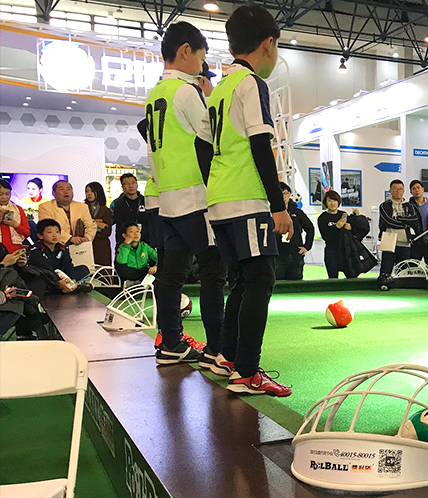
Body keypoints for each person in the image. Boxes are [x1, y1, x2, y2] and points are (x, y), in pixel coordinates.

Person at [206, 5, 292, 396]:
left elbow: (202, 150)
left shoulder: (220, 87)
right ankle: (247, 371)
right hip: (247, 199)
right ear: (268, 44)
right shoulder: (252, 84)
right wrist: (279, 204)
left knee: (241, 280)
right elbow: (261, 144)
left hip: (220, 200)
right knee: (260, 279)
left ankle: (228, 357)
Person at [145, 21, 228, 370]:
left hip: (167, 199)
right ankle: (216, 349)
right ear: (185, 52)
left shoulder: (154, 95)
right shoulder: (186, 90)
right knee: (213, 271)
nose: (202, 64)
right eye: (201, 55)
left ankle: (171, 343)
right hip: (195, 196)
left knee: (171, 273)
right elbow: (212, 138)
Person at [28, 219, 90, 287]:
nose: (54, 235)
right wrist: (59, 282)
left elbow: (68, 266)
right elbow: (47, 269)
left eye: (57, 232)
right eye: (50, 232)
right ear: (40, 236)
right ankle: (63, 287)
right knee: (40, 279)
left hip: (61, 275)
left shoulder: (62, 248)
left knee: (83, 269)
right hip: (47, 276)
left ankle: (68, 286)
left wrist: (73, 280)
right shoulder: (36, 250)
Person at [377, 180, 419, 279]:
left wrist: (398, 219)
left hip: (405, 242)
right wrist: (405, 223)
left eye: (400, 189)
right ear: (390, 191)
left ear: (404, 191)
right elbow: (388, 221)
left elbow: (414, 220)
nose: (398, 191)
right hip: (389, 241)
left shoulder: (410, 206)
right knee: (386, 270)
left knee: (403, 271)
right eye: (395, 189)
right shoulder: (384, 206)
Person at [38, 180, 96, 247]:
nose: (66, 192)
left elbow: (90, 225)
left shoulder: (83, 207)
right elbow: (47, 228)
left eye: (68, 189)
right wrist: (69, 238)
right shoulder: (45, 207)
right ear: (53, 193)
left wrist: (86, 238)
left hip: (80, 246)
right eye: (61, 189)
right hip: (56, 246)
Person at [275, 182, 314, 280]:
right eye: (279, 194)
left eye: (284, 193)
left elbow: (310, 228)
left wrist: (307, 246)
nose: (282, 197)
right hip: (277, 256)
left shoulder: (297, 212)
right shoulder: (271, 213)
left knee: (297, 287)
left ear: (289, 194)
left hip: (296, 255)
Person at [317, 190, 360, 278]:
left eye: (335, 200)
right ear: (325, 203)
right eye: (329, 201)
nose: (333, 203)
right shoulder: (322, 218)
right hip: (331, 252)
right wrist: (336, 227)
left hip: (346, 251)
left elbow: (356, 232)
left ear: (338, 202)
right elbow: (326, 236)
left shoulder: (343, 215)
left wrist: (351, 227)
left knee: (352, 277)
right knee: (333, 278)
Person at [409, 180, 428, 277]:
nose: (416, 190)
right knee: (412, 268)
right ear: (411, 192)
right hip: (416, 242)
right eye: (413, 189)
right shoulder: (409, 206)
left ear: (423, 189)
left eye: (418, 188)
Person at [110, 173, 146, 248]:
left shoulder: (145, 201)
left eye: (133, 183)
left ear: (137, 185)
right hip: (125, 242)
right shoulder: (118, 203)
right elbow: (118, 225)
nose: (131, 186)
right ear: (122, 187)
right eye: (127, 184)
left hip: (144, 242)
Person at [84, 182, 113, 266]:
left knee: (103, 272)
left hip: (101, 247)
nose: (89, 194)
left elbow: (107, 232)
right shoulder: (82, 208)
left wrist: (90, 229)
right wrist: (97, 225)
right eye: (87, 191)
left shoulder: (105, 210)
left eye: (92, 191)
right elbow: (81, 227)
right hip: (86, 245)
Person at [0, 179, 30, 255]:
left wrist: (16, 225)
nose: (4, 197)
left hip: (15, 251)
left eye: (7, 194)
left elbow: (27, 233)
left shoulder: (18, 210)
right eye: (0, 194)